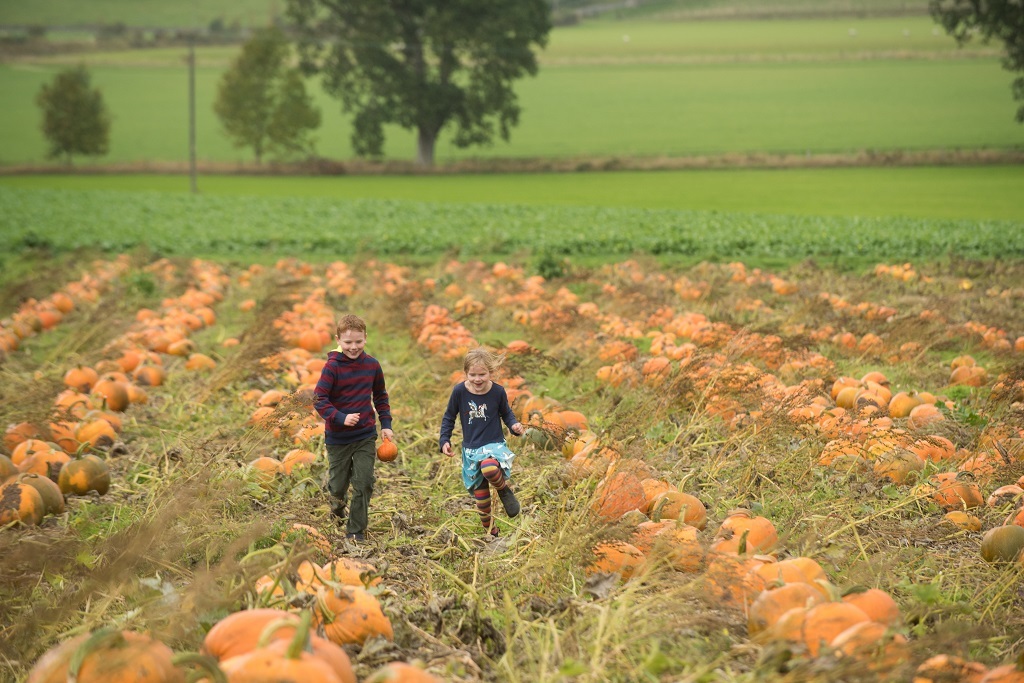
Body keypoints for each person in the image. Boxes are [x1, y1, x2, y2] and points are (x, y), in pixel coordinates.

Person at [313, 314, 394, 542]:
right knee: (337, 488)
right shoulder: (332, 368)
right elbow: (319, 399)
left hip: (365, 435)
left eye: (358, 341)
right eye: (348, 342)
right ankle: (337, 510)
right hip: (338, 438)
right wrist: (340, 417)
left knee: (364, 481)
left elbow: (380, 396)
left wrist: (386, 424)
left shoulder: (372, 365)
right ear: (338, 340)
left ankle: (356, 530)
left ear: (365, 338)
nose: (353, 347)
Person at [439, 347, 526, 539]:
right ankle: (492, 534)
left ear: (491, 373)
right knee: (482, 501)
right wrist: (444, 439)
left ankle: (503, 491)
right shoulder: (460, 391)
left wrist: (514, 427)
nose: (477, 379)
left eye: (482, 374)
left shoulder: (497, 392)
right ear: (466, 373)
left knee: (489, 467)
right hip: (470, 449)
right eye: (473, 374)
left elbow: (507, 414)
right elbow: (448, 417)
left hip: (493, 445)